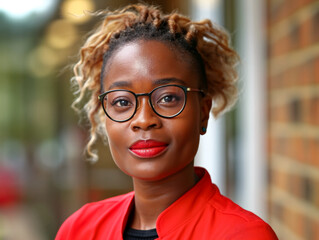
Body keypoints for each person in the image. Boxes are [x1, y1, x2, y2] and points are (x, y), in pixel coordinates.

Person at [56, 4, 278, 240]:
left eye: (168, 98)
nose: (143, 120)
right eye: (122, 102)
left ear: (203, 113)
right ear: (105, 116)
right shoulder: (79, 230)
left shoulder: (243, 235)